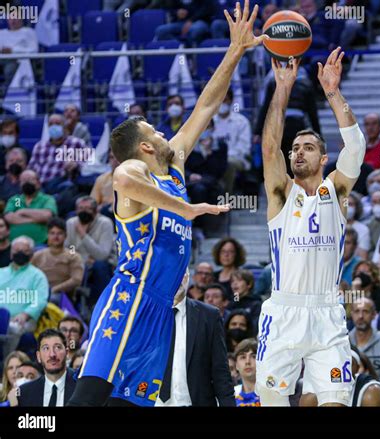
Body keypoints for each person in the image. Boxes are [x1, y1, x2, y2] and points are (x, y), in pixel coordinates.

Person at [67, 1, 264, 407]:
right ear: (144, 146)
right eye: (154, 130)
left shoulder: (173, 167)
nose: (162, 132)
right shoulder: (133, 176)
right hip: (131, 294)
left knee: (131, 404)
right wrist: (186, 209)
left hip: (162, 307)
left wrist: (234, 52)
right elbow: (121, 177)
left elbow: (206, 105)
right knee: (88, 397)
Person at [256, 47, 364, 407]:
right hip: (283, 312)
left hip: (327, 315)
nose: (298, 152)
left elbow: (357, 147)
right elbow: (270, 147)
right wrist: (283, 86)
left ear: (323, 157)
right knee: (271, 401)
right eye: (295, 148)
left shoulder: (336, 190)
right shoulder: (280, 194)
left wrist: (332, 92)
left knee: (335, 401)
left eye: (307, 147)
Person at [154, 271, 235, 407]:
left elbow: (220, 370)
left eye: (181, 273)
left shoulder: (209, 316)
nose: (177, 279)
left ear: (188, 277)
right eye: (172, 272)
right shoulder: (144, 314)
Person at [254, 61, 321, 176]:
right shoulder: (275, 84)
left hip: (294, 127)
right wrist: (258, 132)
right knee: (282, 161)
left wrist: (318, 134)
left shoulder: (304, 85)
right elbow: (266, 108)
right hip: (281, 127)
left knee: (295, 161)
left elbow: (312, 112)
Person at [0, 236, 49, 358]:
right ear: (11, 254)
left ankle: (6, 362)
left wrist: (25, 314)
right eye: (17, 250)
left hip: (23, 320)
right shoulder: (1, 272)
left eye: (25, 251)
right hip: (1, 317)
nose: (20, 253)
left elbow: (41, 300)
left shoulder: (38, 276)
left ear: (31, 254)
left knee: (13, 328)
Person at [65, 196, 115, 305]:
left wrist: (83, 235)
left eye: (88, 208)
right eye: (80, 208)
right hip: (79, 261)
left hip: (101, 263)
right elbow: (70, 248)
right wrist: (80, 258)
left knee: (99, 265)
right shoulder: (71, 223)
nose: (83, 211)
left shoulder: (105, 223)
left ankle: (103, 304)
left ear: (96, 210)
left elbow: (102, 255)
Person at [13, 329, 76, 407]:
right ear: (38, 356)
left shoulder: (83, 386)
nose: (52, 354)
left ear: (67, 353)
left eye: (57, 347)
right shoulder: (24, 392)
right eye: (46, 348)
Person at [31, 218, 84, 301]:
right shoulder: (37, 255)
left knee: (52, 298)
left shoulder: (74, 256)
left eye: (59, 233)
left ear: (65, 236)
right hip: (38, 293)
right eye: (52, 233)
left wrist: (54, 290)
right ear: (47, 235)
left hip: (62, 296)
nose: (56, 237)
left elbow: (76, 280)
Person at [28, 113, 85, 185]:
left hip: (62, 185)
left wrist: (76, 164)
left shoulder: (77, 143)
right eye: (51, 124)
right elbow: (31, 168)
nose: (53, 126)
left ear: (64, 126)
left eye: (57, 124)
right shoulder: (39, 146)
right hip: (41, 186)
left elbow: (89, 165)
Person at [213, 88, 252, 194]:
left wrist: (224, 157)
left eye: (224, 100)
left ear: (231, 101)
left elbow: (244, 148)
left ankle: (226, 198)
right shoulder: (210, 121)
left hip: (237, 159)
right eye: (219, 100)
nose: (222, 103)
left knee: (228, 163)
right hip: (214, 158)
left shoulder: (241, 122)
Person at [4, 170, 58, 245]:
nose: (27, 182)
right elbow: (10, 218)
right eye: (23, 180)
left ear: (38, 183)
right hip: (14, 244)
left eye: (30, 179)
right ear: (20, 184)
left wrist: (23, 211)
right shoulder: (17, 200)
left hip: (40, 244)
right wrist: (35, 219)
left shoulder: (46, 199)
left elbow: (47, 216)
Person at [349, 297, 380, 376]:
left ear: (374, 315)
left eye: (365, 311)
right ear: (352, 314)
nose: (361, 316)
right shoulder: (344, 342)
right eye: (357, 311)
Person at [0, 18, 39, 84]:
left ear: (21, 20)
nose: (13, 21)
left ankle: (7, 91)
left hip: (18, 60)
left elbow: (34, 50)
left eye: (15, 18)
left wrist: (12, 51)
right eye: (10, 19)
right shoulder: (1, 33)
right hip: (2, 58)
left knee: (9, 69)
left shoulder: (29, 32)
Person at [90, 152, 120, 220]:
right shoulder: (101, 179)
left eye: (118, 157)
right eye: (112, 157)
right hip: (104, 212)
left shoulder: (133, 178)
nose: (115, 160)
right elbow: (93, 202)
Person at [234, 338, 260, 406]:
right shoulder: (230, 396)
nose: (247, 362)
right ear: (236, 365)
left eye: (253, 356)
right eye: (243, 357)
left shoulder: (272, 393)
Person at [346, 192, 370, 258]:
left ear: (356, 207)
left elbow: (362, 257)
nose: (346, 207)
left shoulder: (363, 229)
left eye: (350, 204)